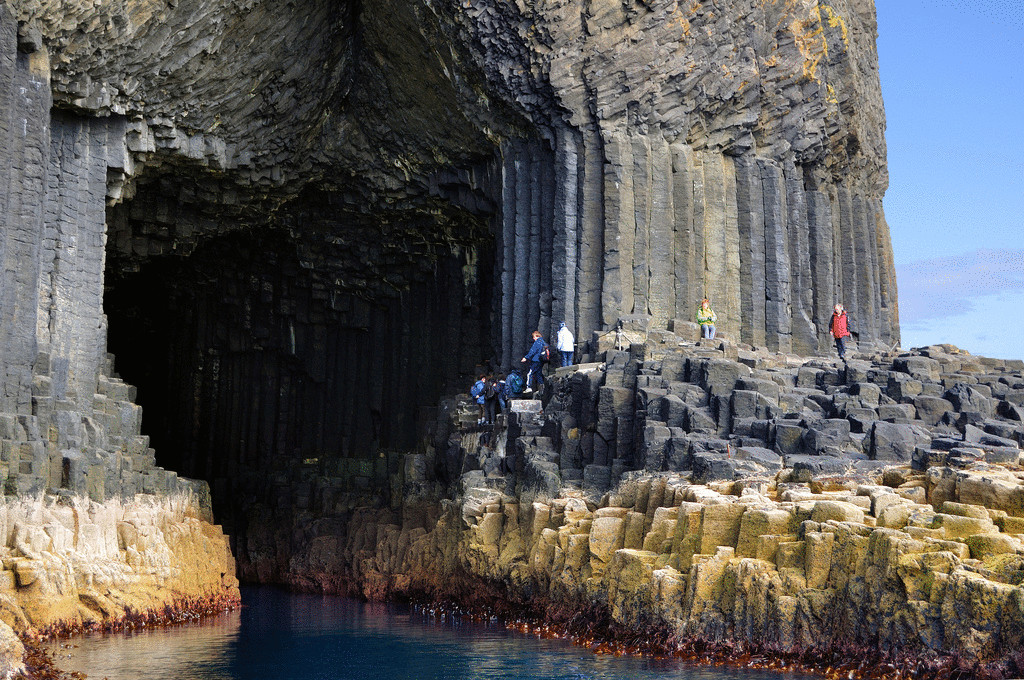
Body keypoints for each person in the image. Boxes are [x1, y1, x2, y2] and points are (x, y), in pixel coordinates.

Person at [520, 330, 547, 394]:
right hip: (541, 361)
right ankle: (542, 387)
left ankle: (528, 387)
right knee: (538, 374)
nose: (533, 338)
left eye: (534, 337)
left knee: (530, 374)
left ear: (537, 336)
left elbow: (532, 351)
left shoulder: (537, 342)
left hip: (536, 360)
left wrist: (526, 357)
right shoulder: (543, 342)